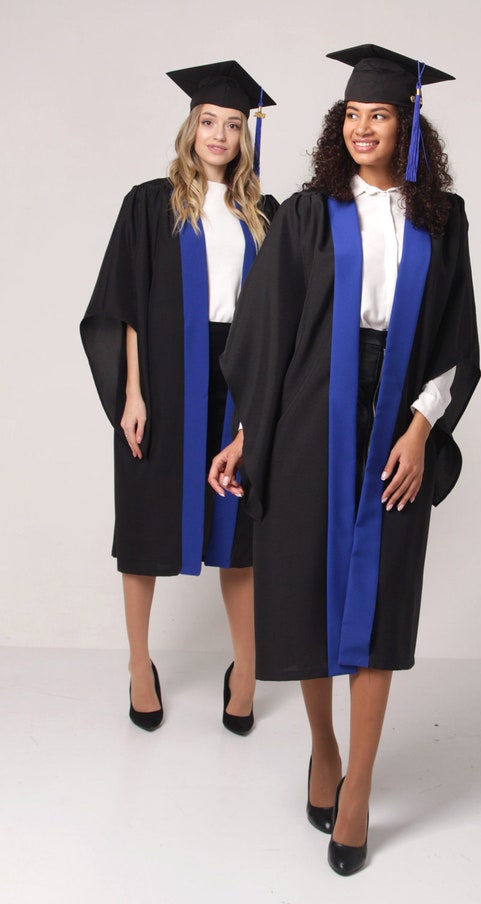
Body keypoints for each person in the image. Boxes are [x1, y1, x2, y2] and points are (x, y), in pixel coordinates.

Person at [209, 44, 480, 873]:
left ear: (409, 125)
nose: (363, 126)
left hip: (395, 417)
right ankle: (323, 748)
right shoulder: (307, 212)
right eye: (353, 114)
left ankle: (357, 784)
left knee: (380, 601)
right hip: (307, 419)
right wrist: (249, 431)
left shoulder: (444, 217)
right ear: (341, 125)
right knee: (310, 593)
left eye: (380, 114)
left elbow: (457, 337)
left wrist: (421, 428)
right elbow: (267, 331)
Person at [81, 61, 278, 734]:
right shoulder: (149, 202)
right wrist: (132, 393)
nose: (218, 134)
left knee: (241, 532)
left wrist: (259, 408)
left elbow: (282, 316)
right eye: (208, 121)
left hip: (239, 383)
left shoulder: (266, 214)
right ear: (190, 125)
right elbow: (127, 303)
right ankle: (140, 666)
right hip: (165, 380)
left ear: (245, 135)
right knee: (144, 525)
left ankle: (246, 670)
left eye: (232, 124)